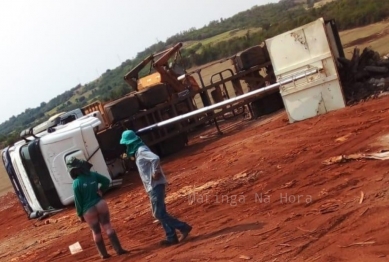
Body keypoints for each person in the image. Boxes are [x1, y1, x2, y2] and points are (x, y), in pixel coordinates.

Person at [120, 130, 192, 246]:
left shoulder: (141, 150)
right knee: (161, 212)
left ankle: (183, 227)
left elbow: (155, 158)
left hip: (155, 186)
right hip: (152, 186)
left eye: (126, 144)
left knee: (158, 214)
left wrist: (156, 171)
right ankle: (171, 237)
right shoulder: (139, 151)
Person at [67, 157, 129, 259]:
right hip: (100, 204)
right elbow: (106, 181)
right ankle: (119, 250)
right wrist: (101, 191)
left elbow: (78, 201)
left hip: (88, 210)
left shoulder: (76, 183)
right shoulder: (93, 175)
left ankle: (103, 254)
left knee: (96, 232)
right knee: (108, 226)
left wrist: (79, 214)